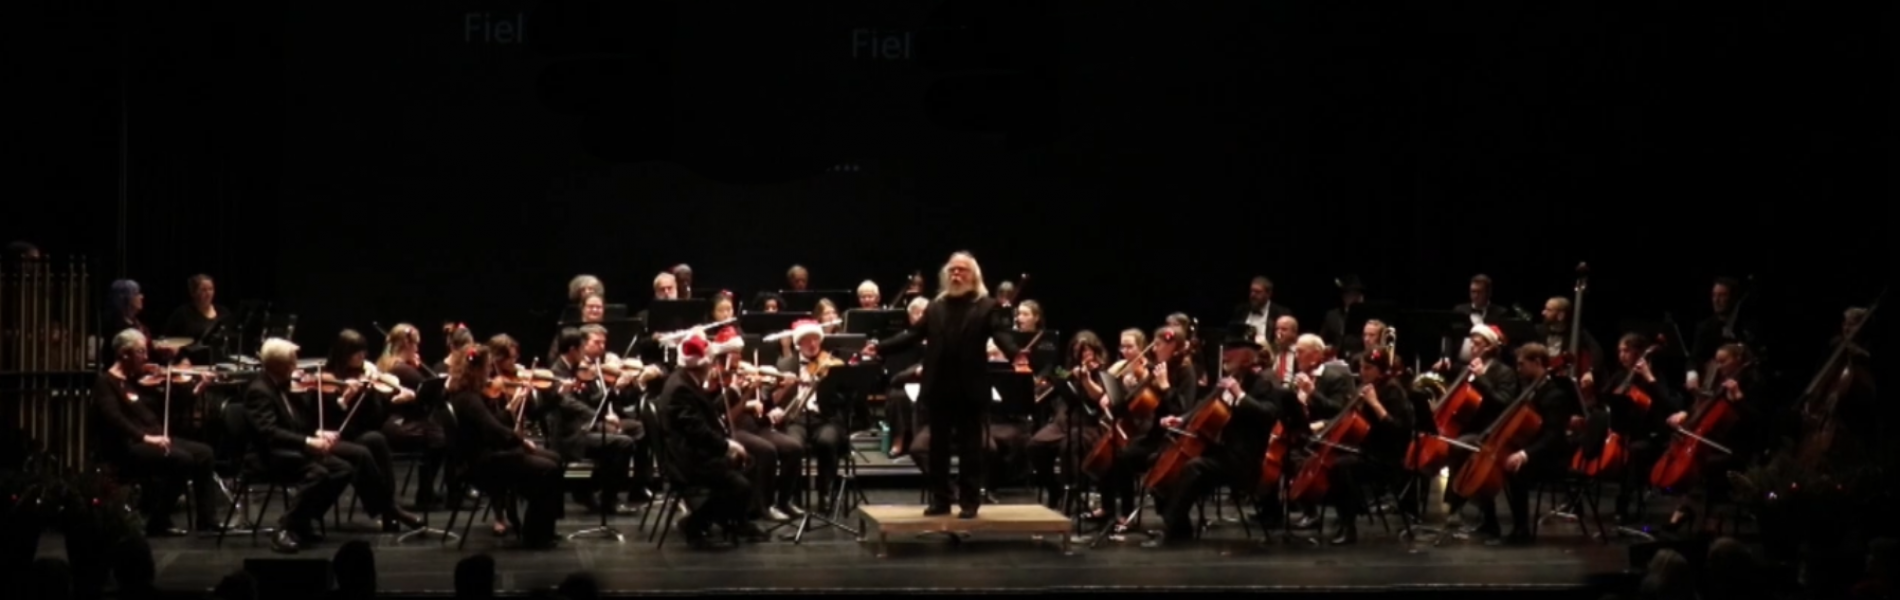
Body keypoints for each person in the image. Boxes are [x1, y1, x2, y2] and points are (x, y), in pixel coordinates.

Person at [865, 251, 1021, 518]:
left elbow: (1002, 335)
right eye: (952, 270)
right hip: (938, 386)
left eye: (962, 270)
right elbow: (913, 335)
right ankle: (941, 500)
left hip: (970, 389)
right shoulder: (935, 307)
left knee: (972, 448)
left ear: (974, 276)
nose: (956, 274)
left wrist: (1016, 354)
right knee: (938, 448)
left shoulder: (987, 306)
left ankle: (970, 502)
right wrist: (879, 347)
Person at [1143, 331, 1281, 547]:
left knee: (1194, 468)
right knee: (1158, 460)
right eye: (1225, 351)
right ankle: (1181, 527)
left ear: (1246, 358)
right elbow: (1201, 408)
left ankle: (1171, 530)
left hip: (1242, 460)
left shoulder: (1262, 384)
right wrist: (1179, 420)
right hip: (1219, 453)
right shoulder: (1224, 382)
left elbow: (1269, 415)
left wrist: (1241, 396)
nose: (1225, 356)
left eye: (1231, 352)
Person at [90, 329, 223, 535]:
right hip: (130, 445)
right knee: (183, 460)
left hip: (156, 439)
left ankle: (207, 520)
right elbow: (114, 419)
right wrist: (146, 437)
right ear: (125, 354)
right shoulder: (105, 383)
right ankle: (158, 520)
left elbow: (173, 404)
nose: (146, 358)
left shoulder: (137, 380)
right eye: (141, 352)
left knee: (204, 453)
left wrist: (199, 387)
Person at [242, 338, 354, 553]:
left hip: (288, 449)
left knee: (342, 469)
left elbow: (296, 423)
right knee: (318, 473)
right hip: (267, 455)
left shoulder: (283, 385)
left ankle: (302, 520)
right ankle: (284, 529)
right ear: (280, 366)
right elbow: (269, 432)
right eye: (293, 362)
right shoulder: (259, 391)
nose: (297, 366)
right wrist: (308, 442)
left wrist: (316, 433)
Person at [444, 344, 562, 548]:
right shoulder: (468, 399)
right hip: (484, 463)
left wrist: (511, 407)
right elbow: (493, 431)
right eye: (487, 367)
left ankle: (545, 528)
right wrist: (521, 442)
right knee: (548, 469)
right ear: (477, 370)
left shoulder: (467, 394)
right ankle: (534, 535)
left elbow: (491, 423)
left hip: (491, 454)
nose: (490, 371)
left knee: (555, 459)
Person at [659, 333, 769, 546]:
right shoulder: (681, 388)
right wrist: (726, 445)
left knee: (749, 462)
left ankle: (737, 520)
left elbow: (706, 415)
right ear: (702, 364)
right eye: (710, 361)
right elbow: (696, 431)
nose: (712, 365)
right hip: (687, 459)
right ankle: (695, 524)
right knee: (739, 485)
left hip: (692, 450)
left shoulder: (685, 380)